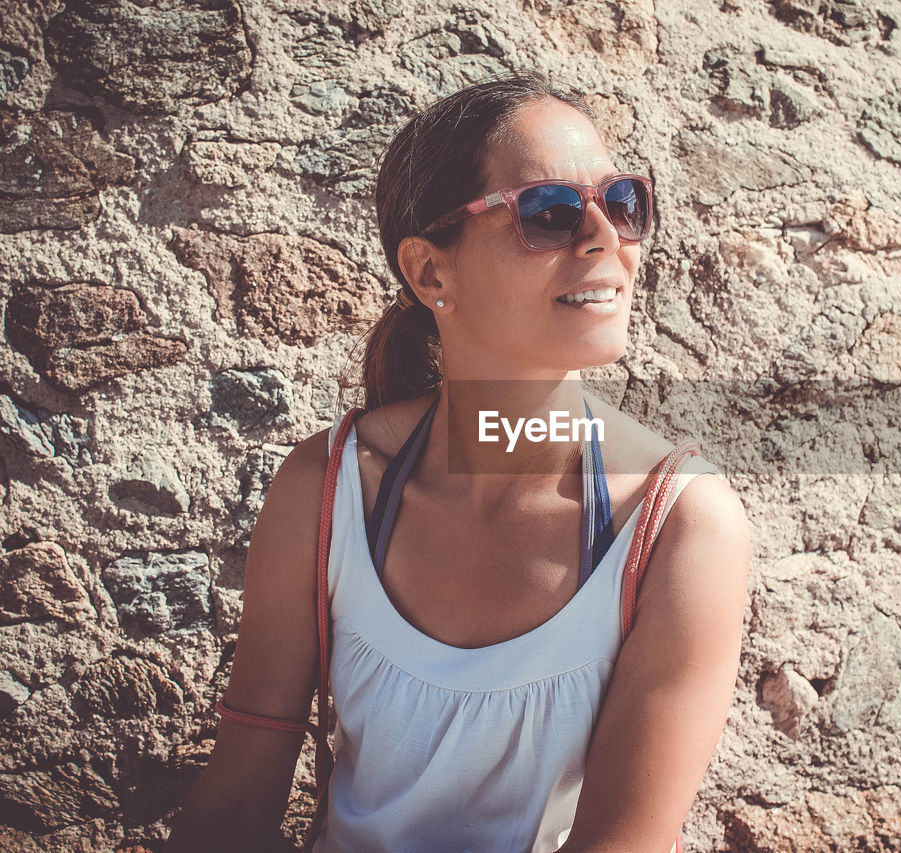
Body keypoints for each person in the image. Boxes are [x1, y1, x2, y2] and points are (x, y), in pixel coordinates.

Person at [163, 70, 752, 853]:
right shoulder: (328, 487)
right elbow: (231, 813)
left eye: (622, 202)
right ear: (430, 272)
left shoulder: (680, 525)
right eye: (547, 213)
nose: (605, 238)